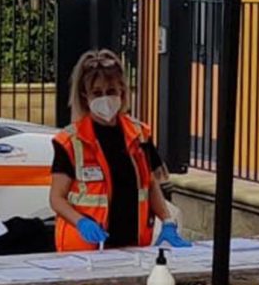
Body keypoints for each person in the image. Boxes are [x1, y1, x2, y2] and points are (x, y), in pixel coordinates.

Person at [50, 49, 187, 253]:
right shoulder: (70, 141)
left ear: (122, 91)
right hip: (85, 248)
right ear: (85, 96)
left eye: (111, 91)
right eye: (97, 93)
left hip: (132, 244)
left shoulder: (139, 135)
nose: (105, 98)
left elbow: (150, 185)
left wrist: (167, 221)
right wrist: (81, 222)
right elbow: (56, 198)